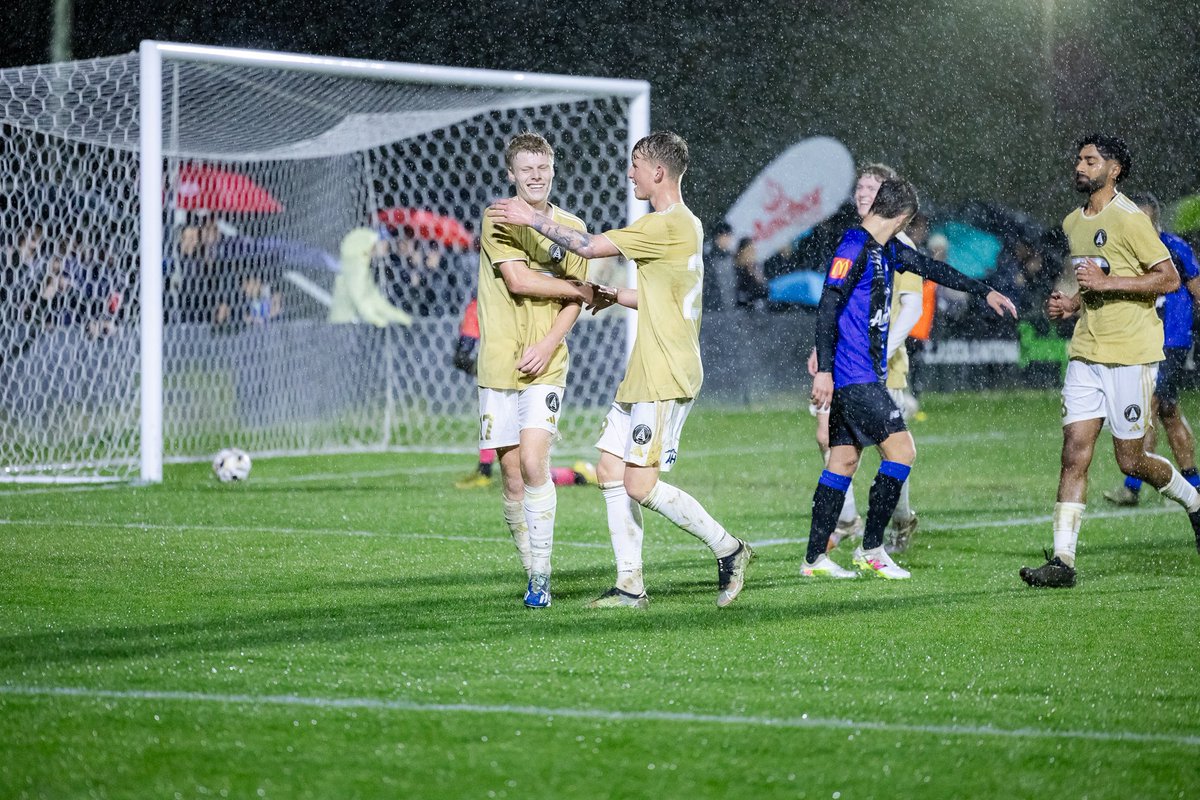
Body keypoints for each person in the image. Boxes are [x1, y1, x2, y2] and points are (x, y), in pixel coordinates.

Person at [488, 130, 753, 609]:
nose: (630, 174)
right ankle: (630, 586)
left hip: (666, 370)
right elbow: (663, 296)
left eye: (636, 165)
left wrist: (532, 218)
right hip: (646, 367)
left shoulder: (662, 225)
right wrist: (614, 296)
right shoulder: (687, 224)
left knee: (639, 483)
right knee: (610, 468)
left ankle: (728, 548)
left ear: (658, 172)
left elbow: (588, 247)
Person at [804, 178, 1015, 579]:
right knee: (902, 452)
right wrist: (826, 370)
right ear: (902, 217)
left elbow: (931, 268)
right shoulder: (854, 246)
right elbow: (828, 307)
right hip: (855, 375)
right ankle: (872, 549)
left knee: (843, 461)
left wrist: (983, 290)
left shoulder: (886, 248)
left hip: (862, 373)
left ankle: (814, 559)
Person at [1020, 134, 1200, 589]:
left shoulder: (1130, 218)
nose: (1080, 167)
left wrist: (1106, 284)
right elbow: (1092, 281)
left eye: (1090, 161)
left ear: (1114, 169)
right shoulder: (1073, 222)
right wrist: (1072, 304)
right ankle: (1063, 561)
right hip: (1086, 353)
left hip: (1130, 356)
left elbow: (1168, 279)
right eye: (1078, 160)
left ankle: (1194, 501)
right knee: (1073, 453)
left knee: (1130, 461)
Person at [477, 132, 595, 608]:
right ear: (512, 175)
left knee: (533, 463)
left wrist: (548, 344)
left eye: (543, 168)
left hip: (546, 362)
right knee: (511, 477)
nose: (536, 176)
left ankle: (541, 578)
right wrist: (577, 287)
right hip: (500, 361)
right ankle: (530, 567)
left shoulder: (572, 227)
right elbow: (518, 279)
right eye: (526, 169)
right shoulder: (498, 217)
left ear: (553, 169)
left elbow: (575, 304)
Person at [807, 163, 924, 551]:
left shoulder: (899, 245)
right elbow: (837, 305)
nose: (861, 193)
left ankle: (899, 520)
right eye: (859, 186)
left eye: (871, 188)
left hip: (881, 367)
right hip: (846, 364)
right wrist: (823, 351)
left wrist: (880, 351)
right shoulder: (854, 240)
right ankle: (847, 521)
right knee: (828, 438)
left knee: (892, 449)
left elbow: (912, 307)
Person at [1101, 192, 1200, 506]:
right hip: (1142, 340)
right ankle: (1194, 482)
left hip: (1171, 341)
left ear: (1154, 220)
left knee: (1150, 406)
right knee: (1169, 411)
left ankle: (1132, 487)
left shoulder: (1174, 248)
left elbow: (1197, 291)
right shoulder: (1127, 252)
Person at [451, 296, 598, 491]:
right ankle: (485, 471)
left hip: (528, 376)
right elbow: (461, 356)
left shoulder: (483, 303)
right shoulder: (486, 303)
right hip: (522, 372)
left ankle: (576, 475)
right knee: (523, 463)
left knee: (526, 464)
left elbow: (462, 356)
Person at [702, 221, 735, 312]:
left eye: (728, 236)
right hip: (712, 308)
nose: (726, 239)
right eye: (723, 236)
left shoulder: (732, 257)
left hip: (731, 308)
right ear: (716, 237)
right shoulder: (707, 259)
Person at [733, 237, 767, 310]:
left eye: (753, 251)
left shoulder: (757, 268)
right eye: (749, 251)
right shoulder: (734, 270)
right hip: (739, 312)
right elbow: (738, 295)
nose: (752, 254)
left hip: (757, 311)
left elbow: (764, 293)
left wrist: (760, 280)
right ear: (741, 253)